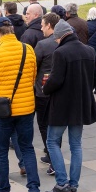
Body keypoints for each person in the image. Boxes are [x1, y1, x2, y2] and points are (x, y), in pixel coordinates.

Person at [0, 17, 41, 192]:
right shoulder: (28, 49)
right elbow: (33, 76)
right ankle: (33, 190)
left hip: (2, 109)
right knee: (27, 148)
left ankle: (5, 190)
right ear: (13, 31)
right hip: (26, 108)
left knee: (1, 149)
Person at [42, 20, 96, 192]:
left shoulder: (60, 52)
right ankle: (73, 186)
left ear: (60, 36)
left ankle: (61, 183)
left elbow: (56, 80)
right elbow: (95, 79)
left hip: (61, 105)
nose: (56, 42)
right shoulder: (89, 51)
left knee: (52, 142)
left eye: (56, 39)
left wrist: (46, 86)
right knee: (76, 145)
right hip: (80, 104)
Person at [34, 12, 61, 175]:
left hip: (43, 92)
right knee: (56, 125)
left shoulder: (43, 45)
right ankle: (52, 154)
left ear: (49, 26)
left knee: (44, 126)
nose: (41, 28)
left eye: (43, 25)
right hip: (59, 91)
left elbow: (33, 66)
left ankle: (52, 157)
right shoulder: (62, 42)